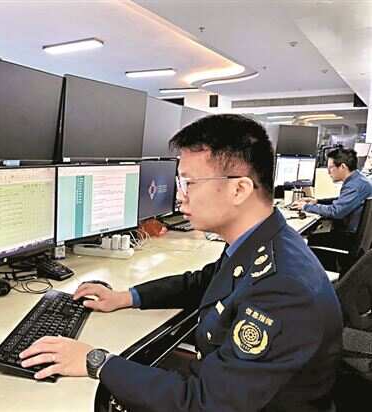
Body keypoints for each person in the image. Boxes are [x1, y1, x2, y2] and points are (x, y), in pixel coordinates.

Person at [19, 114, 342, 412]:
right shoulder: (261, 241)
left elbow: (204, 403)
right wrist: (126, 297)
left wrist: (96, 361)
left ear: (239, 189)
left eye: (189, 183)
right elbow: (204, 281)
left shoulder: (282, 288)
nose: (179, 197)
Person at [292, 148, 372, 250]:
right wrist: (317, 201)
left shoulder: (354, 185)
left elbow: (336, 212)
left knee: (303, 240)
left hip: (349, 240)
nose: (328, 172)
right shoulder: (359, 179)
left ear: (342, 167)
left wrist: (305, 207)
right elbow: (342, 201)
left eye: (330, 167)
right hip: (354, 236)